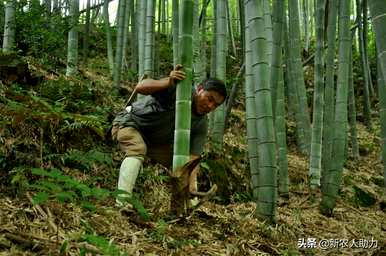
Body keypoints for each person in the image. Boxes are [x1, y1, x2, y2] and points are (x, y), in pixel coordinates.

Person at [112, 64, 227, 204]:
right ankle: (122, 203)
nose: (210, 106)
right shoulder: (181, 91)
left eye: (215, 105)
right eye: (209, 99)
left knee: (181, 163)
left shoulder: (201, 123)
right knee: (137, 148)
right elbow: (141, 87)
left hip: (154, 142)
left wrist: (192, 188)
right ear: (199, 89)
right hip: (130, 123)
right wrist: (168, 81)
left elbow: (193, 158)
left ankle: (184, 204)